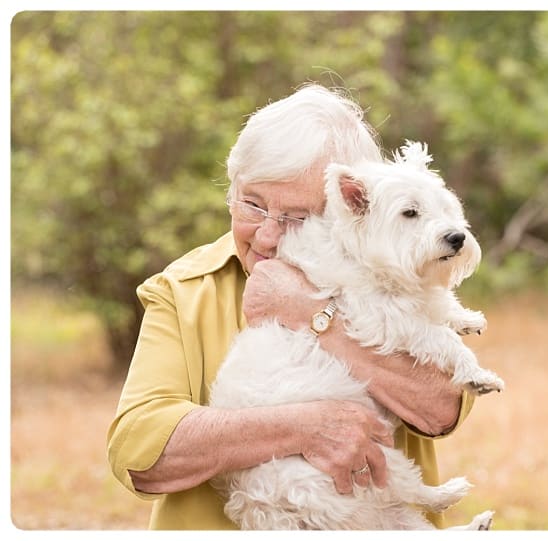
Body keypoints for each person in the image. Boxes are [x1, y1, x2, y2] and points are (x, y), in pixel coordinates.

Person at [106, 84, 475, 530]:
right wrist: (302, 427)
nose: (266, 235)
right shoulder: (182, 288)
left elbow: (440, 406)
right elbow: (140, 451)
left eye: (299, 217)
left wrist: (311, 313)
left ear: (355, 209)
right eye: (252, 204)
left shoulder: (406, 282)